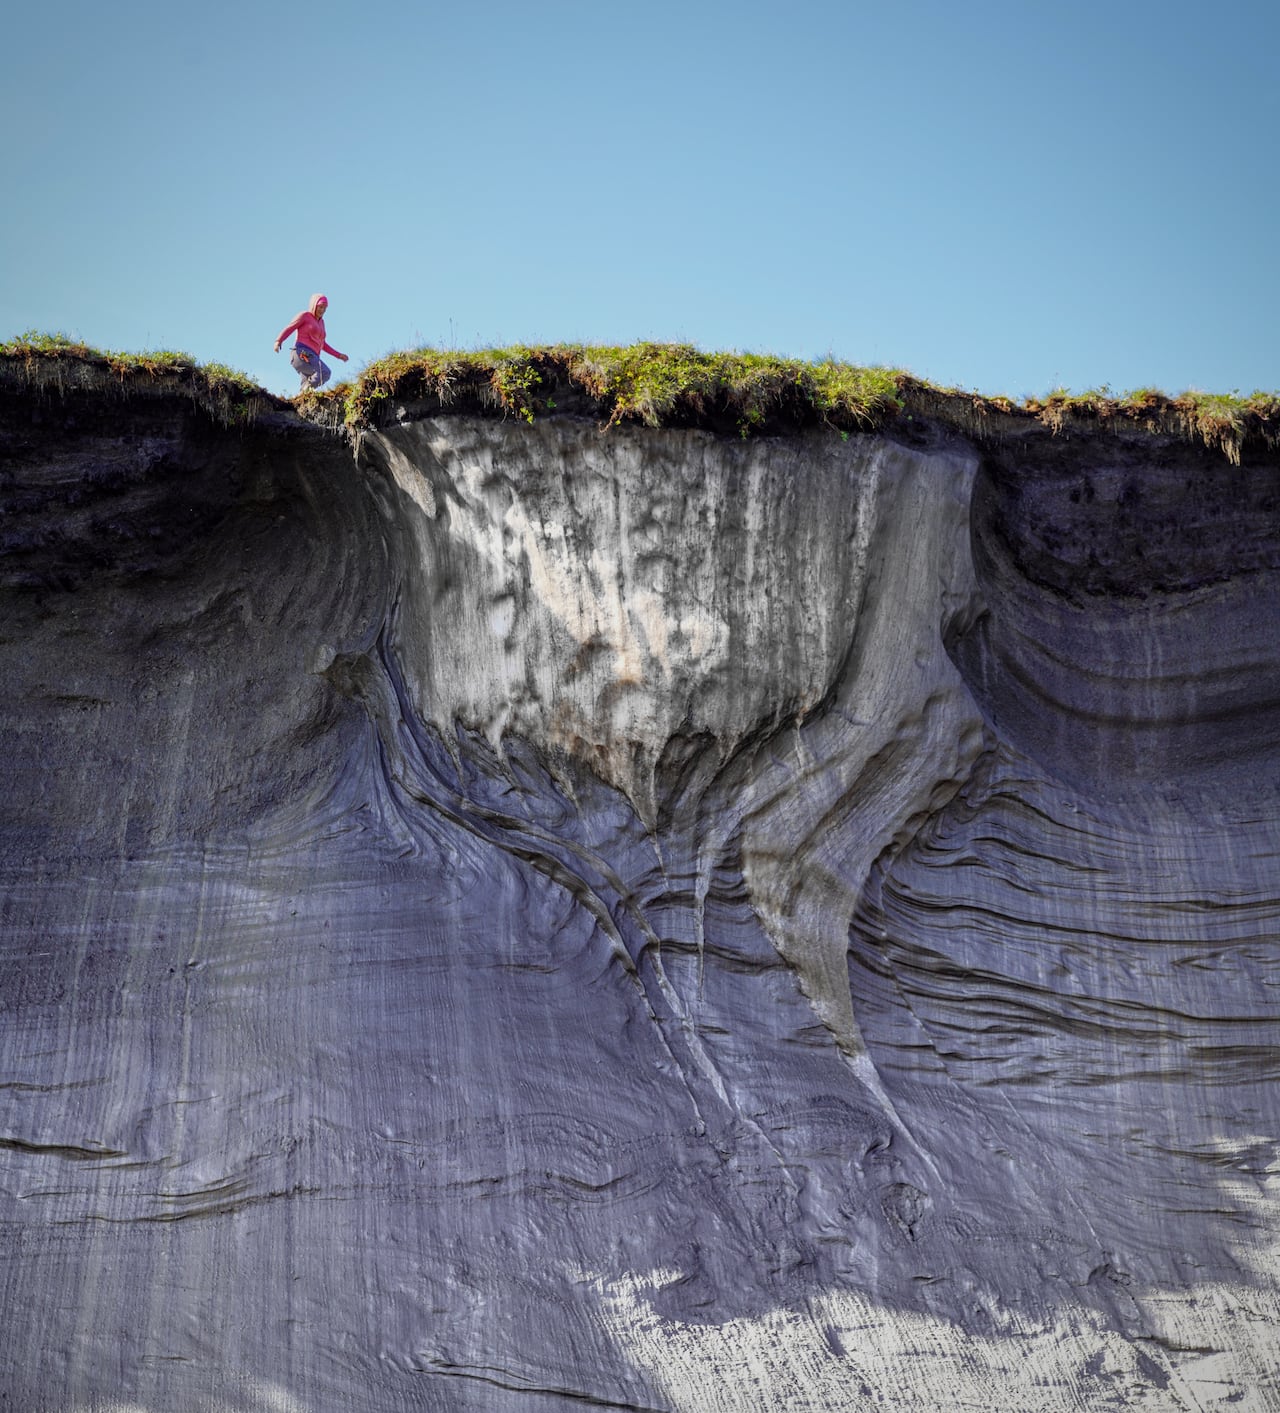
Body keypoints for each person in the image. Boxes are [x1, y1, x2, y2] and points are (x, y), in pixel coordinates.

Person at [274, 293, 348, 392]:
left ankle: (301, 400)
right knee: (324, 372)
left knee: (307, 388)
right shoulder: (305, 316)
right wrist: (278, 341)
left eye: (325, 308)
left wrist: (338, 355)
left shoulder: (322, 323)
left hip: (313, 357)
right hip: (302, 353)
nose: (322, 310)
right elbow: (290, 327)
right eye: (320, 307)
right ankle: (305, 389)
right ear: (314, 305)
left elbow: (322, 344)